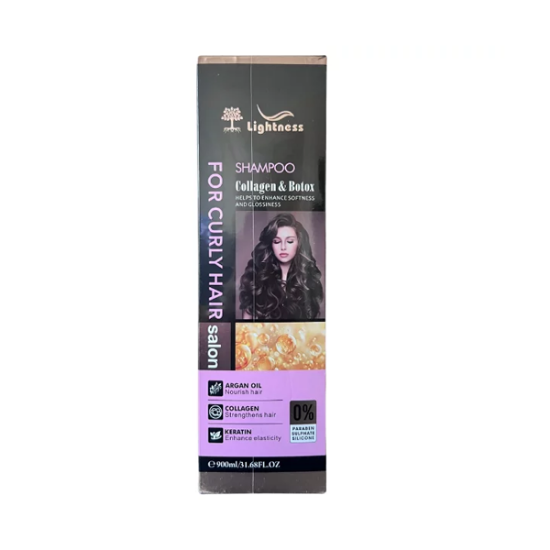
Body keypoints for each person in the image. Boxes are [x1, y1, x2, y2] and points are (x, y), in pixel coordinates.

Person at [239, 213, 323, 320]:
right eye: (277, 241)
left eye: (289, 241)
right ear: (271, 245)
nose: (283, 247)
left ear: (299, 244)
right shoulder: (257, 281)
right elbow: (245, 326)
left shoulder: (308, 282)